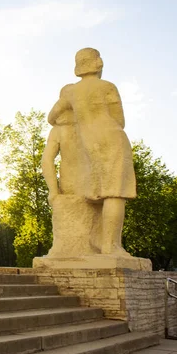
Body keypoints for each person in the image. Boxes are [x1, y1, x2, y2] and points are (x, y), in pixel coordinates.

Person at [47, 47, 135, 256]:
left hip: (89, 143)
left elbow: (51, 117)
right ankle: (111, 247)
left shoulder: (69, 92)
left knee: (98, 192)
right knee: (114, 194)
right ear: (98, 63)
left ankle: (104, 245)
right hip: (112, 138)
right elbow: (120, 121)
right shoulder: (107, 87)